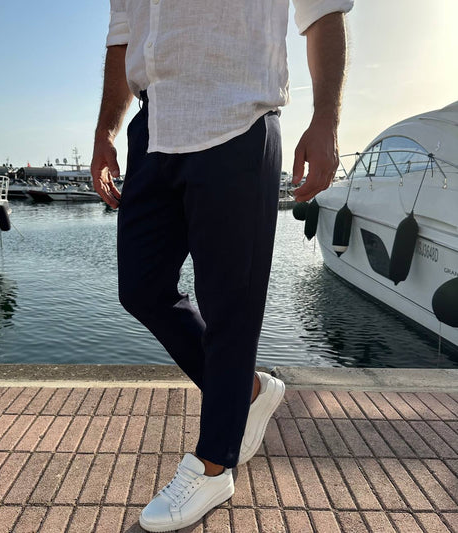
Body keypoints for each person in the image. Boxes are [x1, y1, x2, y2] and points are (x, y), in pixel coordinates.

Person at [91, 1, 353, 531]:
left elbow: (323, 11)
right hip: (153, 128)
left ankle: (214, 466)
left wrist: (325, 118)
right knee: (141, 288)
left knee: (230, 307)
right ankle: (248, 392)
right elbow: (122, 38)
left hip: (239, 117)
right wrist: (105, 133)